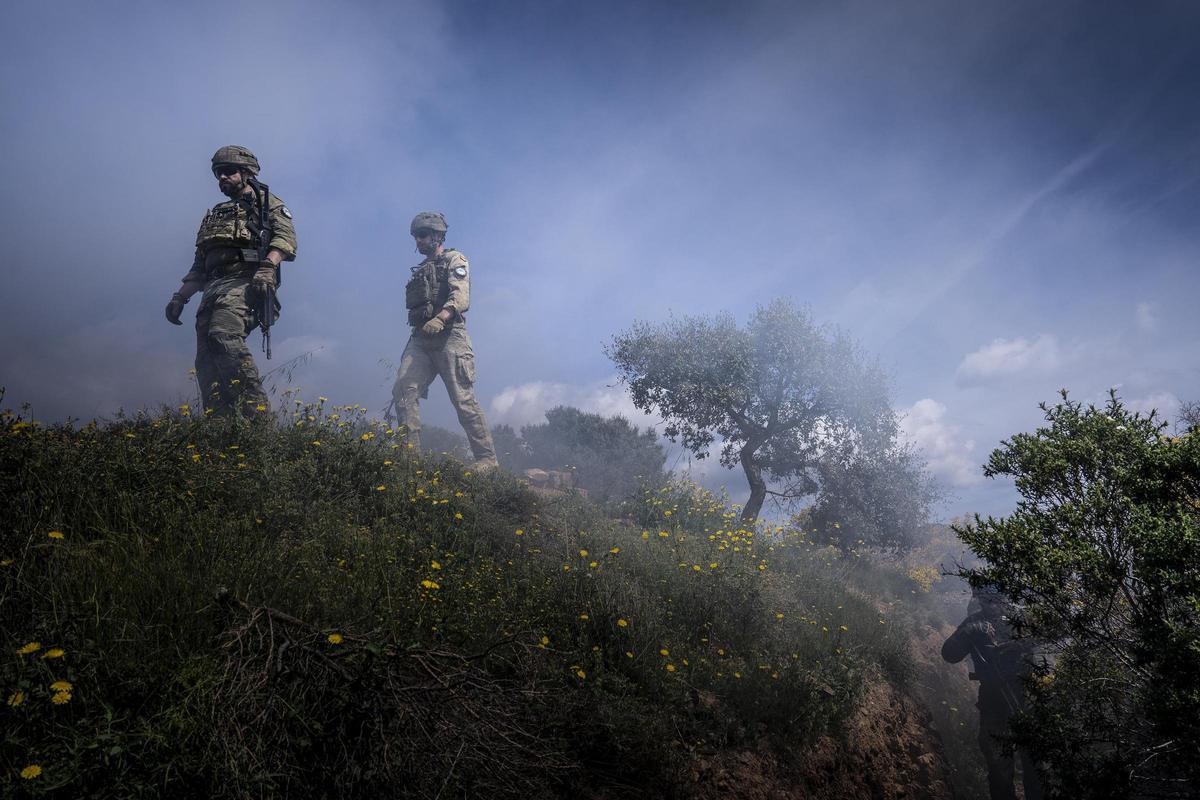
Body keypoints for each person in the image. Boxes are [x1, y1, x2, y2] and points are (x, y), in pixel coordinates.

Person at [165, 146, 297, 415]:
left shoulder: (266, 204)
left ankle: (255, 417)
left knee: (223, 336)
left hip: (244, 281)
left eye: (228, 172)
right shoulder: (217, 212)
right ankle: (221, 427)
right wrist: (180, 296)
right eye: (218, 174)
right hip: (212, 287)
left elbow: (285, 239)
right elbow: (200, 262)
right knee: (206, 359)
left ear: (246, 173)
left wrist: (267, 268)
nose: (221, 178)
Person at [390, 212, 498, 470]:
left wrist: (441, 318)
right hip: (421, 339)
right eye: (416, 236)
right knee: (404, 389)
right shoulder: (421, 270)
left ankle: (487, 460)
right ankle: (411, 461)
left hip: (450, 337)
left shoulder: (455, 259)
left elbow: (461, 297)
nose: (418, 240)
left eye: (423, 235)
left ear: (438, 236)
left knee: (463, 400)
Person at [942, 587, 1044, 800]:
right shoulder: (975, 623)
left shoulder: (1021, 619)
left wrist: (1017, 645)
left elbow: (1048, 637)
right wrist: (969, 631)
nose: (992, 605)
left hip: (1026, 700)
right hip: (993, 703)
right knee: (999, 769)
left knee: (1036, 767)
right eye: (987, 601)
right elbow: (949, 654)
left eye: (996, 600)